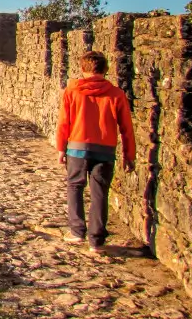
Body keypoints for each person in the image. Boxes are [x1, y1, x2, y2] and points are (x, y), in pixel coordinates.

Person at [56, 51, 136, 252]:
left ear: (83, 69)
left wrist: (60, 148)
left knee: (75, 186)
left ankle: (76, 232)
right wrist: (129, 155)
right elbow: (127, 128)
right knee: (100, 192)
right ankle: (96, 241)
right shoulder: (116, 94)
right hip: (105, 149)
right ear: (105, 69)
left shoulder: (72, 91)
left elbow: (64, 122)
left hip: (77, 147)